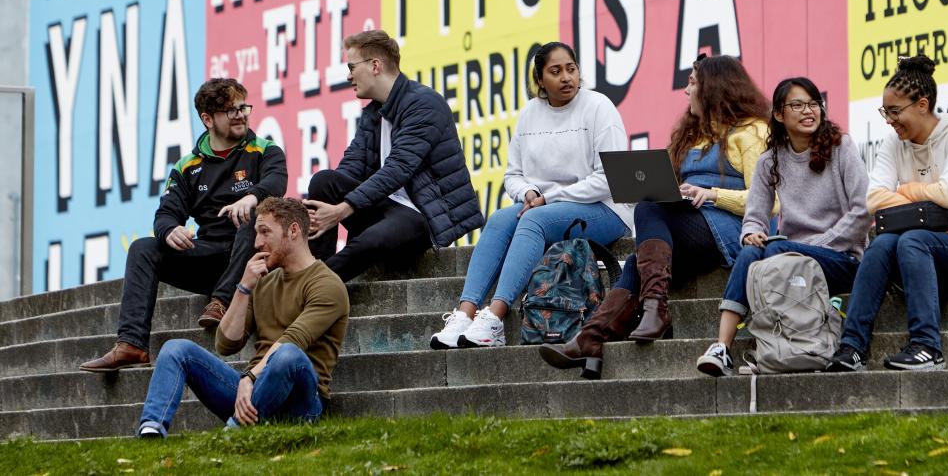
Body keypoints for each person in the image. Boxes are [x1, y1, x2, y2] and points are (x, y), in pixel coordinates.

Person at [540, 53, 770, 378]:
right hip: (693, 227)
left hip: (731, 228)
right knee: (638, 257)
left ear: (714, 88)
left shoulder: (752, 132)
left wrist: (714, 194)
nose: (686, 91)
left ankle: (652, 311)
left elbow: (768, 201)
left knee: (649, 208)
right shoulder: (694, 136)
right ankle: (592, 339)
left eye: (692, 83)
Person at [429, 42, 633, 349]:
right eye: (556, 71)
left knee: (535, 219)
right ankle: (464, 314)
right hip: (546, 207)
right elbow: (513, 175)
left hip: (605, 209)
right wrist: (529, 191)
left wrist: (549, 199)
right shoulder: (530, 115)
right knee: (499, 219)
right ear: (540, 80)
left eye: (571, 69)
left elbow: (608, 180)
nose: (566, 77)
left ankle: (495, 317)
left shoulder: (599, 107)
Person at [80, 79, 287, 373]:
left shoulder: (266, 150)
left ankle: (223, 301)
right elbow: (165, 214)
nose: (241, 114)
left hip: (254, 260)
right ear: (207, 119)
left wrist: (252, 197)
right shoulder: (187, 166)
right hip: (210, 257)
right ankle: (131, 344)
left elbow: (276, 185)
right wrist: (170, 230)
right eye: (231, 110)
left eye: (243, 107)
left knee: (256, 217)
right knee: (143, 247)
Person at [827, 55, 948, 372]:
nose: (889, 120)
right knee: (880, 245)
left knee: (911, 240)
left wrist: (904, 191)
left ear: (922, 105)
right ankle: (852, 347)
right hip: (918, 256)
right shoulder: (893, 143)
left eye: (895, 111)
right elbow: (873, 200)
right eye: (885, 112)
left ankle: (927, 347)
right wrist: (934, 205)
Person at [695, 77, 870, 376]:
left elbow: (863, 211)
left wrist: (813, 246)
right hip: (788, 261)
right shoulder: (770, 160)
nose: (808, 111)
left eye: (813, 104)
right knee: (751, 251)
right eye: (798, 105)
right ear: (779, 114)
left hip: (841, 259)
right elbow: (755, 214)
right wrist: (750, 231)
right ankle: (722, 347)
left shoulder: (842, 147)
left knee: (775, 248)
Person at [135, 197, 349, 438]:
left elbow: (293, 341)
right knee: (176, 349)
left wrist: (248, 378)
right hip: (250, 392)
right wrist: (243, 287)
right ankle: (152, 430)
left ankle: (234, 431)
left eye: (265, 232)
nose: (257, 243)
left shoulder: (327, 285)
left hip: (300, 404)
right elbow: (226, 345)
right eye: (256, 233)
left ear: (293, 231)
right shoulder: (263, 280)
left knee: (288, 355)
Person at [304, 29, 484, 282]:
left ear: (375, 65)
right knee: (323, 181)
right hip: (386, 209)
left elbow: (398, 168)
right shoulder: (373, 112)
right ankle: (311, 267)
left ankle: (309, 284)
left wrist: (343, 209)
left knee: (371, 240)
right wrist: (318, 210)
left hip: (421, 218)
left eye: (352, 67)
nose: (348, 76)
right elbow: (351, 168)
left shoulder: (424, 103)